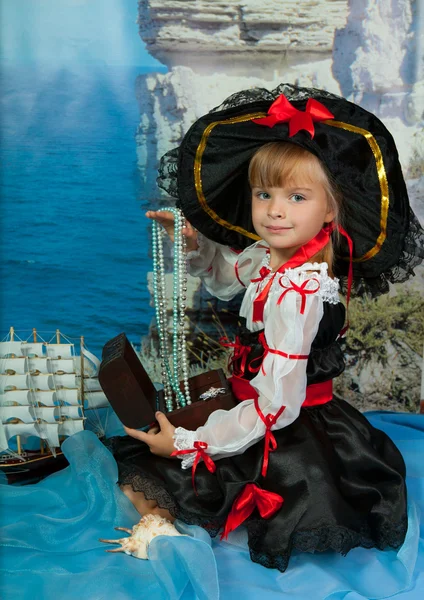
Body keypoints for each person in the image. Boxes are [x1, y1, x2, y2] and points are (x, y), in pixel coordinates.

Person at [104, 84, 424, 572]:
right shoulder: (272, 260)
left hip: (285, 424)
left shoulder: (299, 293)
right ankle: (165, 517)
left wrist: (193, 443)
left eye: (297, 197)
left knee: (152, 473)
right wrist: (195, 244)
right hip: (252, 398)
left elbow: (277, 405)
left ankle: (166, 528)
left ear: (331, 209)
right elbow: (232, 280)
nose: (275, 210)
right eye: (264, 194)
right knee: (140, 458)